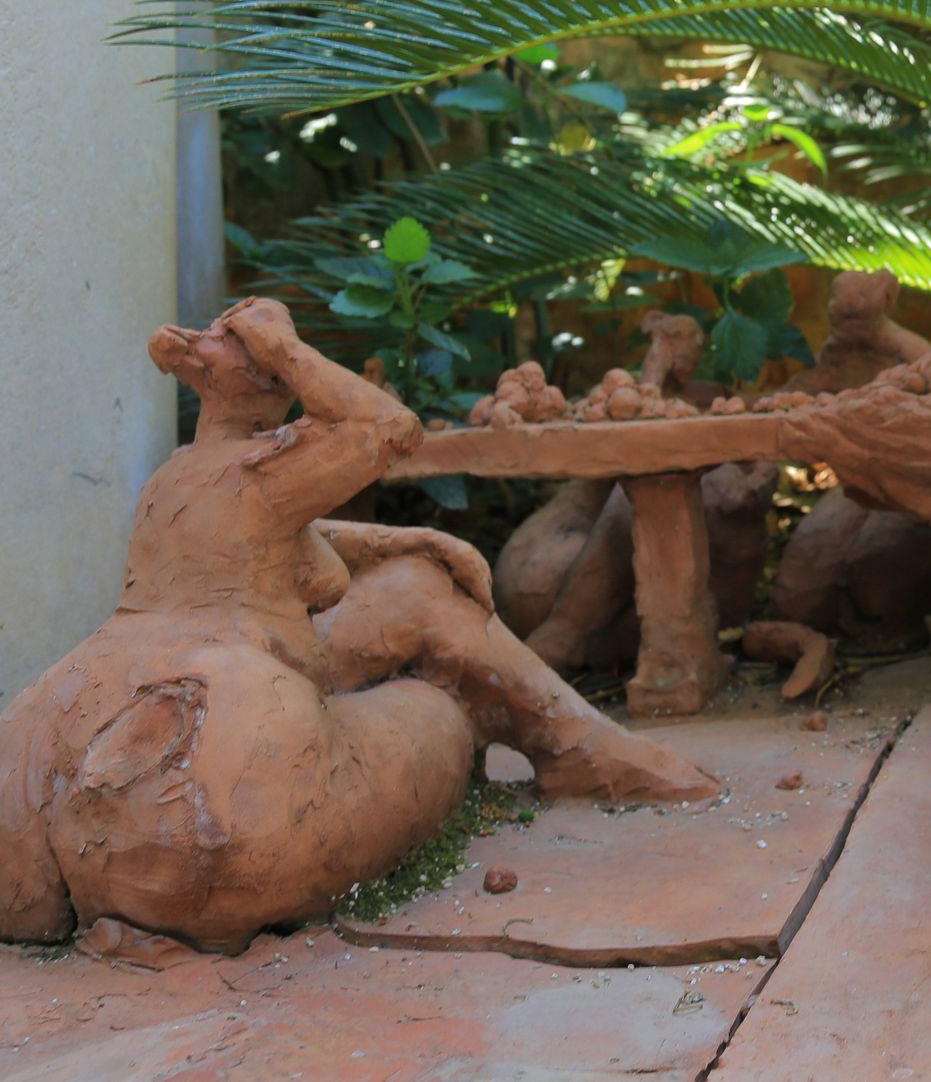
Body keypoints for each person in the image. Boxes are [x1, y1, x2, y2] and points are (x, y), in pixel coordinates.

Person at [0, 299, 714, 952]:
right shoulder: (262, 467)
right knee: (439, 712)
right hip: (198, 794)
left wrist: (406, 539)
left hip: (97, 701)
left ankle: (577, 743)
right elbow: (389, 427)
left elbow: (268, 532)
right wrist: (287, 351)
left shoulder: (178, 477)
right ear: (270, 373)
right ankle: (570, 743)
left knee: (418, 585)